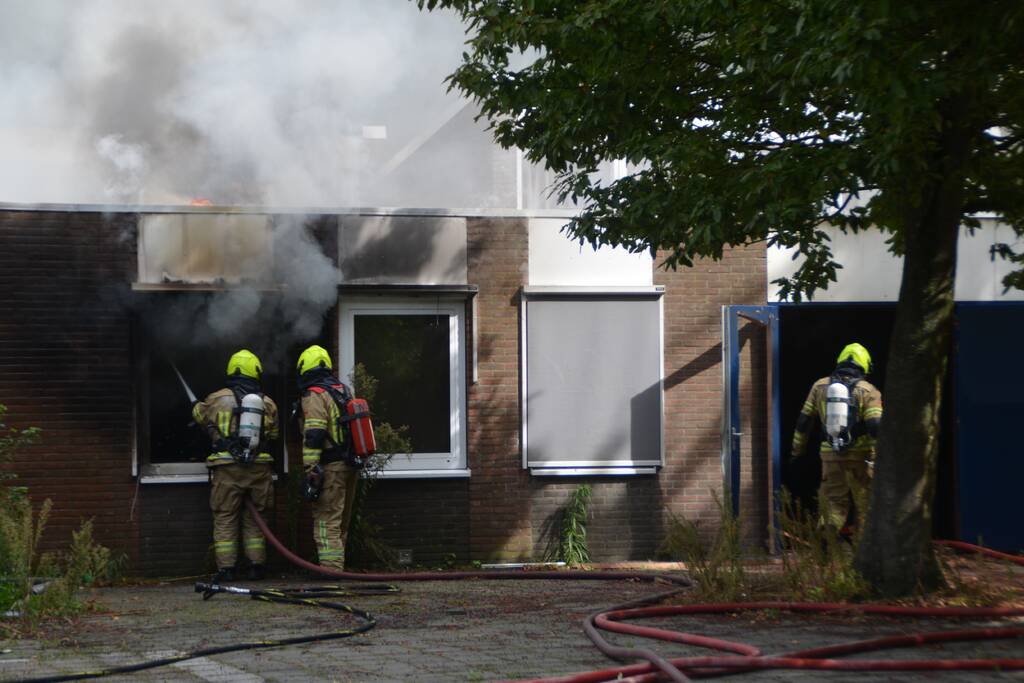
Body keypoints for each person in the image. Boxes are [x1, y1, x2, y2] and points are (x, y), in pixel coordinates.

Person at [192, 349, 279, 581]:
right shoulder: (267, 403)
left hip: (227, 468)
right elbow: (273, 434)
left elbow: (200, 418)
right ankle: (256, 567)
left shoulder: (216, 399)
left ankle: (226, 570)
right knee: (256, 519)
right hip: (259, 469)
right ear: (256, 372)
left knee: (225, 517)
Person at [790, 342, 883, 535]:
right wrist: (880, 458)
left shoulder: (819, 386)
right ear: (864, 365)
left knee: (833, 504)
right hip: (862, 457)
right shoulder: (869, 390)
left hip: (830, 455)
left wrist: (797, 450)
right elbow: (875, 427)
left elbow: (804, 421)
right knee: (865, 504)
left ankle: (826, 546)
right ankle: (861, 553)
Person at [296, 344, 361, 570]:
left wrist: (310, 469)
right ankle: (337, 567)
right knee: (340, 523)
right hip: (350, 465)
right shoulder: (343, 390)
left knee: (327, 523)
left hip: (331, 468)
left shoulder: (315, 395)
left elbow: (314, 435)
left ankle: (332, 574)